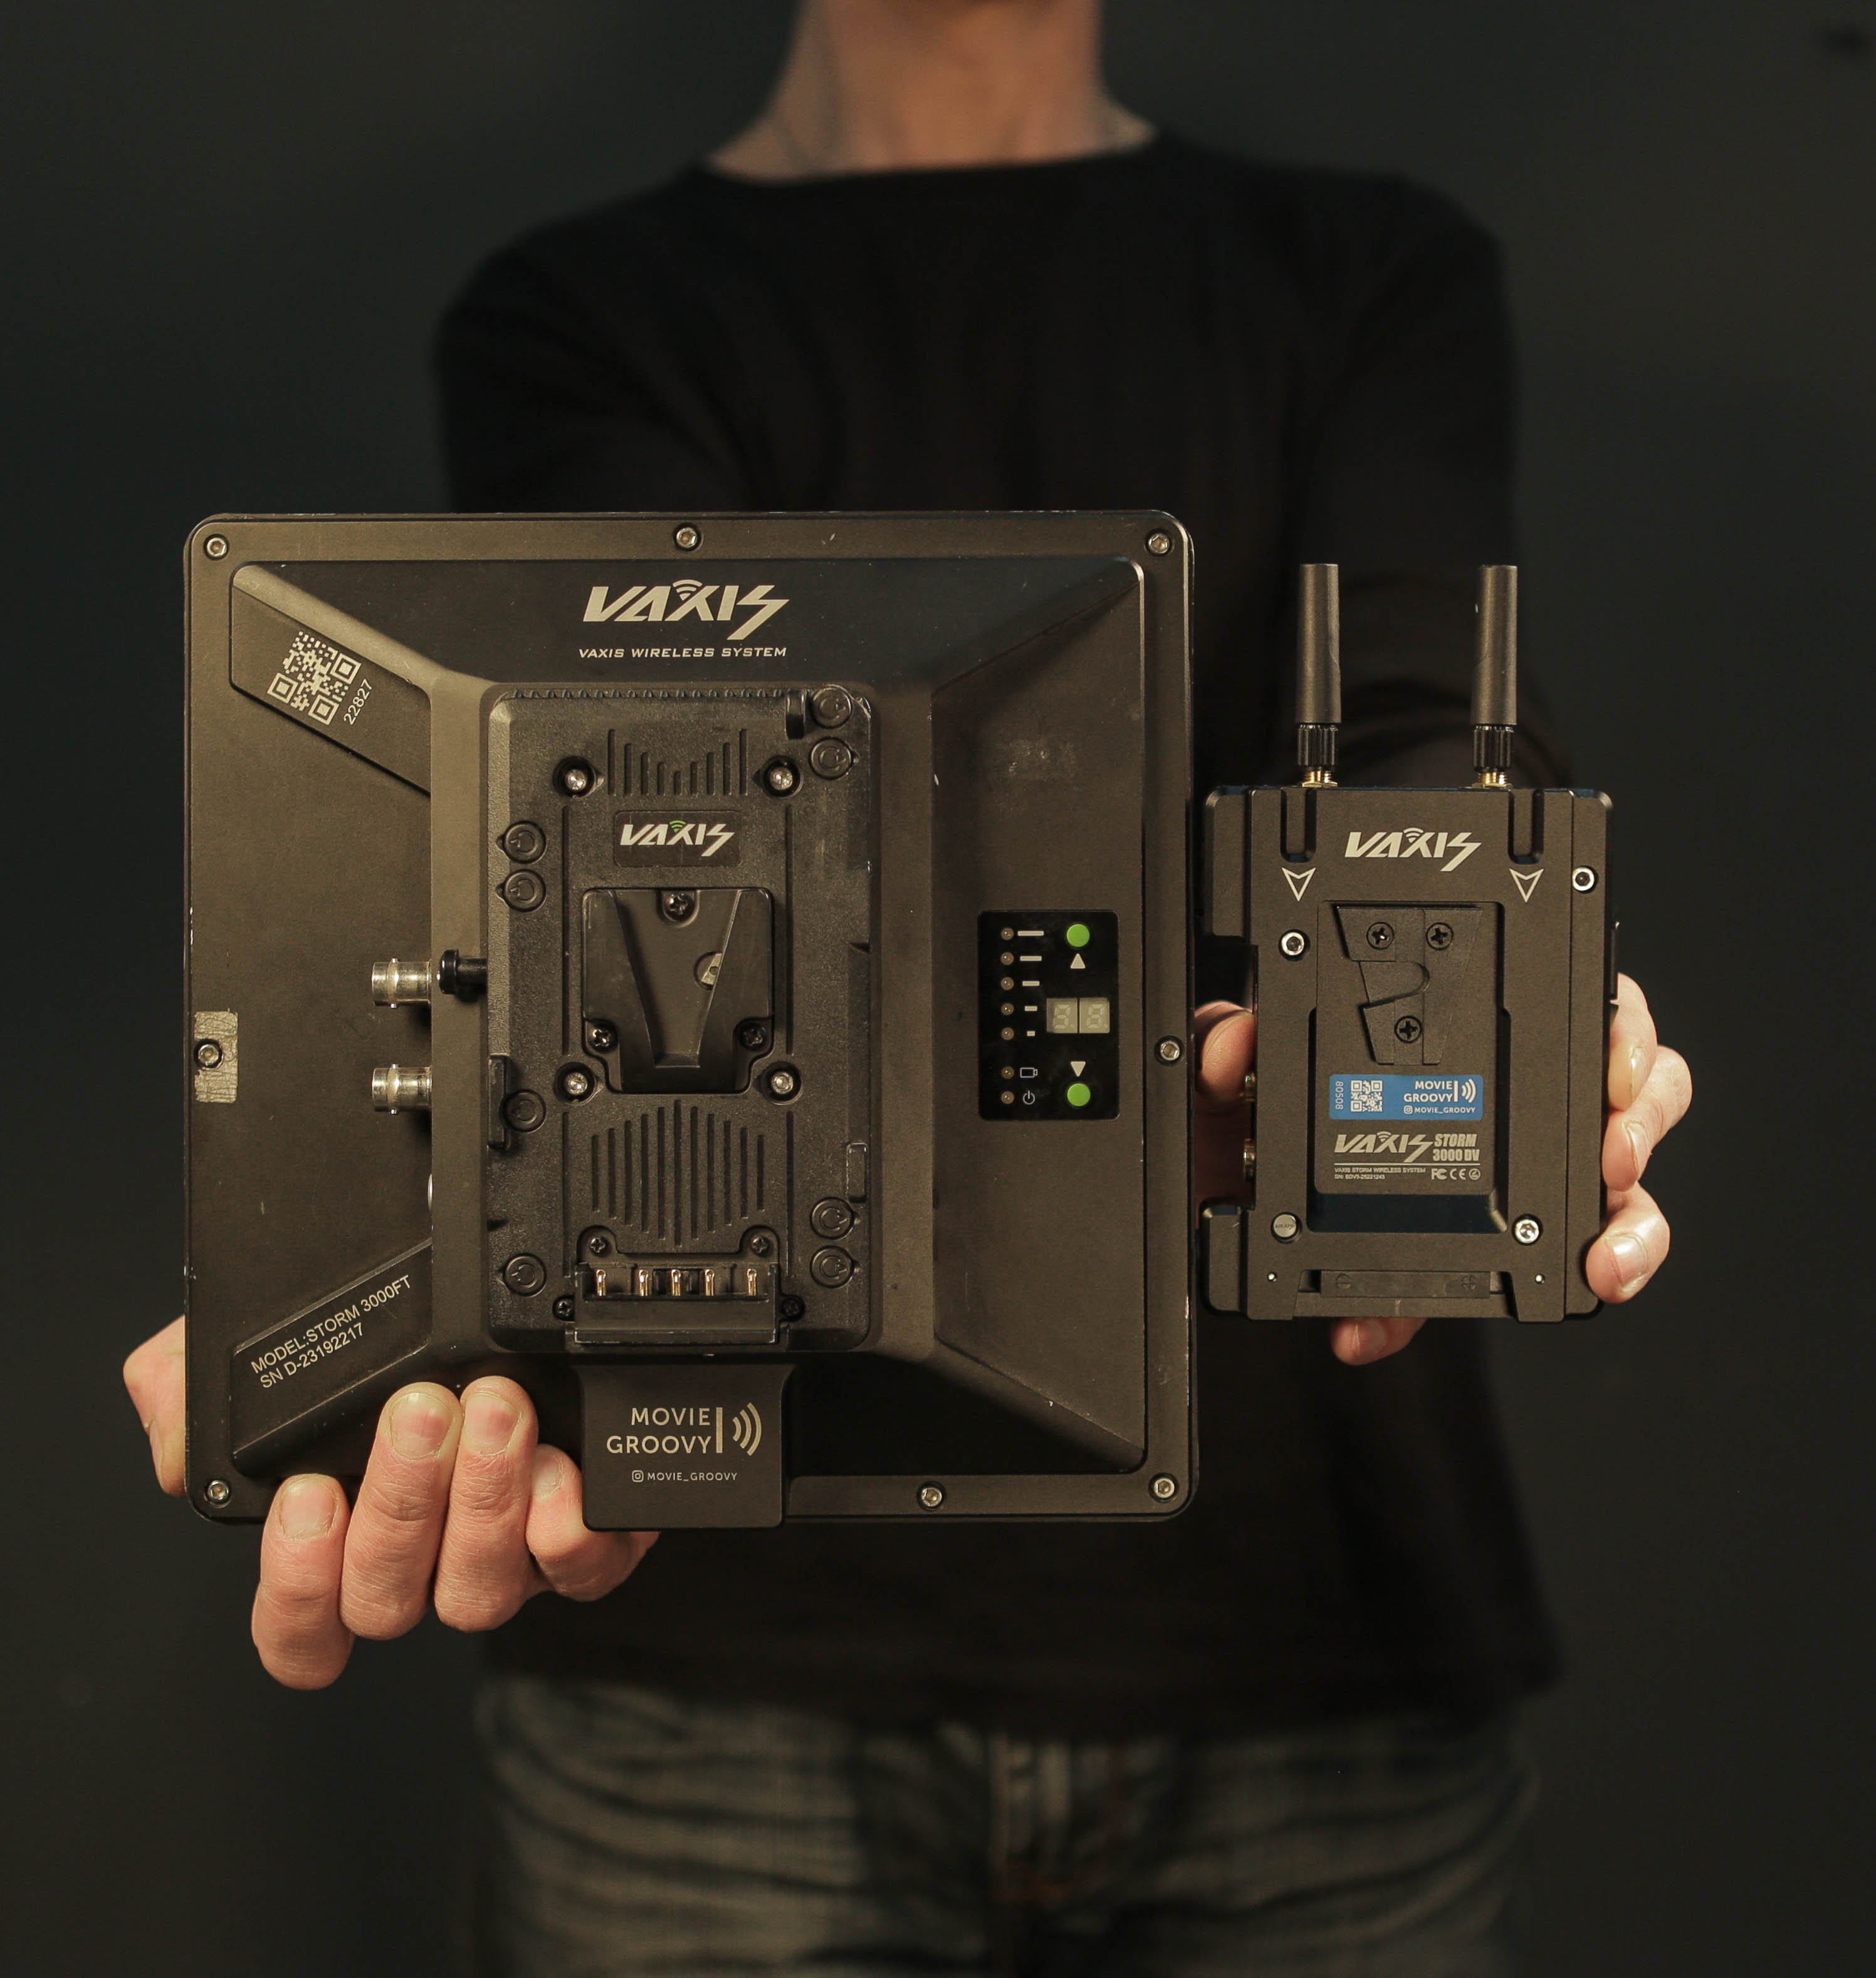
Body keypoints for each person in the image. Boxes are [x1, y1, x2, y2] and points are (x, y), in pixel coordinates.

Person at [125, 2, 1692, 1970]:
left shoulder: (1369, 266)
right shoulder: (583, 308)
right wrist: (334, 1269)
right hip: (721, 1671)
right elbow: (639, 772)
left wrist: (1489, 1004)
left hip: (1315, 1633)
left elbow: (1421, 728)